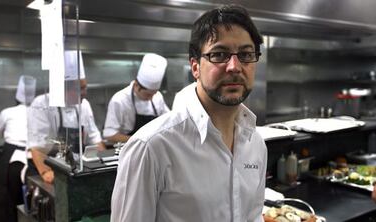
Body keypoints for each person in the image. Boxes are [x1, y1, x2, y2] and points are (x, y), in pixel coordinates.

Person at [111, 4, 267, 222]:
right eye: (219, 54)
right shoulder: (150, 148)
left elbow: (253, 217)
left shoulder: (256, 144)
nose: (234, 66)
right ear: (195, 67)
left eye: (246, 54)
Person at [27, 50, 105, 184]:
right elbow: (37, 147)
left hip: (76, 170)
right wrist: (46, 173)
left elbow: (95, 139)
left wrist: (105, 165)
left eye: (85, 88)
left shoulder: (84, 105)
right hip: (49, 169)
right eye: (80, 89)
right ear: (62, 88)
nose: (84, 93)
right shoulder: (41, 104)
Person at [0, 75, 36, 222]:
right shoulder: (37, 113)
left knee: (6, 199)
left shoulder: (7, 112)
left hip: (11, 158)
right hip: (31, 157)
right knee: (31, 202)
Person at [103, 53, 170, 143]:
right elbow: (109, 134)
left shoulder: (157, 97)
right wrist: (138, 141)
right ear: (136, 85)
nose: (151, 98)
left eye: (153, 94)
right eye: (147, 95)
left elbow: (168, 122)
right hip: (129, 148)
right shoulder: (119, 100)